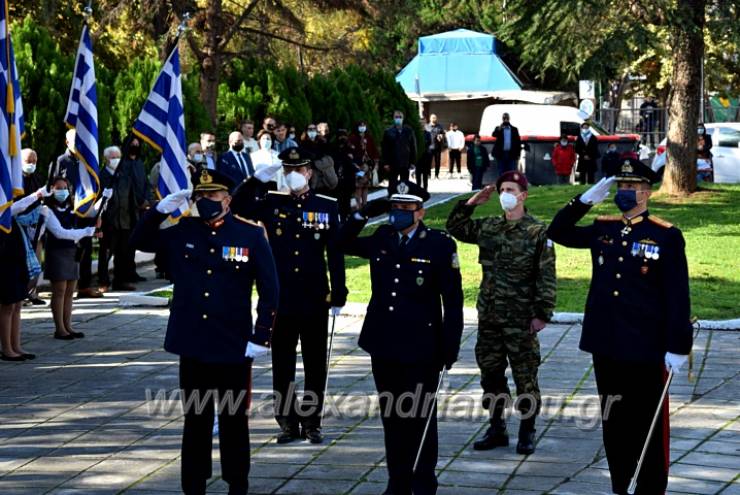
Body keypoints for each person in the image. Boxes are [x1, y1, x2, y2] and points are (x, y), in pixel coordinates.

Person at [547, 159, 692, 495]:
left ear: (647, 191)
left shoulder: (665, 235)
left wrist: (678, 345)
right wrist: (583, 201)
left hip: (646, 346)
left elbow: (677, 295)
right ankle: (620, 485)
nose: (625, 193)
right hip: (607, 343)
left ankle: (650, 488)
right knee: (615, 423)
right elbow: (558, 232)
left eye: (632, 187)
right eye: (621, 187)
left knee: (648, 425)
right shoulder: (604, 227)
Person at [130, 168, 279, 495]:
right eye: (200, 197)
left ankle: (237, 483)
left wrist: (261, 336)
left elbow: (271, 289)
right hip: (193, 341)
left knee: (233, 420)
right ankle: (193, 485)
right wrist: (158, 211)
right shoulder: (181, 230)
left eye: (212, 196)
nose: (205, 202)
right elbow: (138, 242)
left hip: (233, 343)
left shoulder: (249, 234)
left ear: (227, 199)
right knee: (196, 419)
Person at [339, 180, 464, 494]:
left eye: (406, 209)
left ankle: (423, 482)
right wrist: (363, 213)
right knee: (392, 417)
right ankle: (397, 480)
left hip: (423, 347)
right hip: (383, 344)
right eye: (395, 208)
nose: (398, 214)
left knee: (420, 417)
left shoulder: (439, 245)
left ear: (420, 212)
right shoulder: (382, 237)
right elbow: (338, 242)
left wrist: (450, 347)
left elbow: (453, 300)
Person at [232, 147, 347, 445]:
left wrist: (339, 292)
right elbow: (238, 205)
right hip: (281, 297)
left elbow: (334, 253)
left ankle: (312, 422)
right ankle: (287, 422)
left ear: (309, 172)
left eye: (300, 169)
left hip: (314, 297)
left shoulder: (327, 205)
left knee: (314, 363)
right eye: (288, 170)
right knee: (283, 363)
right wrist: (256, 180)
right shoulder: (271, 202)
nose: (294, 174)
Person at [446, 170, 556, 456]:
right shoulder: (490, 227)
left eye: (511, 188)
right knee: (491, 374)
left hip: (521, 318)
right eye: (502, 189)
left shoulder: (537, 231)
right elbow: (455, 227)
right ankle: (497, 427)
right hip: (491, 315)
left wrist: (542, 313)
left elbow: (546, 275)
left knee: (525, 377)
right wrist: (472, 203)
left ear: (523, 195)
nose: (505, 193)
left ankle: (527, 430)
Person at [41, 177, 100, 340]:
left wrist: (104, 200)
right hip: (57, 252)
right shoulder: (46, 209)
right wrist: (87, 232)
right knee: (59, 291)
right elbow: (60, 233)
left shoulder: (71, 207)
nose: (62, 191)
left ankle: (68, 325)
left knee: (69, 291)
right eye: (58, 188)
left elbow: (88, 217)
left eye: (65, 188)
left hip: (71, 251)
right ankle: (59, 328)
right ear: (51, 189)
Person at [0, 186, 53, 361]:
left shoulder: (11, 217)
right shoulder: (4, 212)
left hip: (17, 261)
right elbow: (16, 207)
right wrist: (36, 195)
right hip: (6, 262)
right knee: (7, 306)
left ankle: (16, 346)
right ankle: (7, 348)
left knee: (17, 306)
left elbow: (23, 214)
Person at [97, 145, 146, 292]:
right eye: (112, 157)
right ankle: (103, 281)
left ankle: (120, 281)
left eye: (118, 157)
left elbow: (131, 199)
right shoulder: (101, 177)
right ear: (106, 159)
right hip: (108, 222)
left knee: (123, 254)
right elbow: (97, 201)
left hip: (125, 221)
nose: (116, 160)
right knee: (105, 254)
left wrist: (134, 220)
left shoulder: (125, 176)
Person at [18, 149, 46, 306]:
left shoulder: (37, 178)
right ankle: (20, 293)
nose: (32, 165)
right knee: (22, 261)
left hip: (36, 226)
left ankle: (32, 292)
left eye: (34, 162)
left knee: (36, 259)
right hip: (19, 225)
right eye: (29, 161)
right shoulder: (16, 180)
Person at [381, 110, 417, 193]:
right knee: (392, 183)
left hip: (405, 162)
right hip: (393, 162)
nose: (398, 119)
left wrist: (412, 162)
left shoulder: (408, 131)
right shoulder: (388, 132)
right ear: (393, 118)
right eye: (396, 117)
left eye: (400, 117)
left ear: (403, 118)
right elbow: (385, 148)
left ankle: (403, 199)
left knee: (404, 183)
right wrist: (385, 163)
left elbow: (413, 147)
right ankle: (391, 198)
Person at [349, 121, 380, 208]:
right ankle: (359, 206)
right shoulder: (353, 138)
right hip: (358, 167)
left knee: (366, 185)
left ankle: (365, 204)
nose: (362, 127)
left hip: (368, 166)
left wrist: (376, 163)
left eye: (364, 126)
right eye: (360, 126)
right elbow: (350, 152)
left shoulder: (369, 138)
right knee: (358, 186)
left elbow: (374, 151)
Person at [300, 124, 338, 195]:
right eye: (310, 129)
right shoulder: (303, 144)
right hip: (311, 176)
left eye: (314, 129)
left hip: (324, 177)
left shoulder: (322, 142)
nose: (312, 131)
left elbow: (328, 156)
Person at [425, 114, 446, 179]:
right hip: (429, 147)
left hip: (437, 147)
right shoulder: (426, 126)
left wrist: (441, 137)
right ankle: (428, 175)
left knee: (437, 162)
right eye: (432, 118)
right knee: (428, 162)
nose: (434, 119)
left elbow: (443, 134)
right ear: (430, 118)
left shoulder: (439, 126)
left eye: (435, 118)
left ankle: (436, 175)